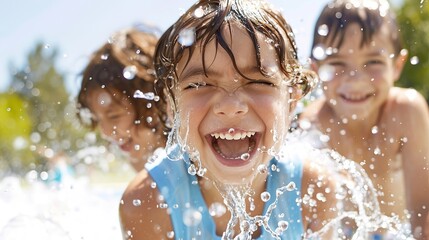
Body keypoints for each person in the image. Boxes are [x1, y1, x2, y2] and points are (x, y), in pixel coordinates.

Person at [117, 0, 358, 239]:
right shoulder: (148, 204)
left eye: (259, 82)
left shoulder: (312, 190)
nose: (230, 107)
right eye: (199, 84)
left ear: (292, 101)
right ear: (172, 106)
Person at [299, 0, 429, 238]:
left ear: (397, 65)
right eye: (337, 62)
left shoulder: (405, 113)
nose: (356, 79)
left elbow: (424, 214)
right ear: (316, 70)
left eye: (373, 62)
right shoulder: (311, 125)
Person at [76, 26, 167, 172]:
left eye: (113, 116)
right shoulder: (145, 165)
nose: (105, 132)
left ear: (155, 102)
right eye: (97, 119)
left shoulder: (197, 159)